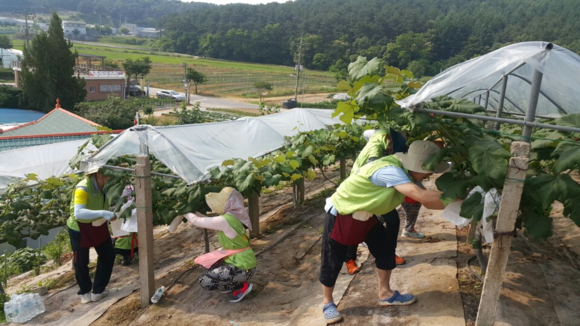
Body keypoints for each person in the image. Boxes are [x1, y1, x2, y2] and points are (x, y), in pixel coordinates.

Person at [320, 141, 451, 324]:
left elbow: (427, 199)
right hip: (343, 212)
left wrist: (460, 199)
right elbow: (423, 197)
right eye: (430, 170)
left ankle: (385, 294)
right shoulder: (390, 171)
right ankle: (328, 302)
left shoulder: (405, 170)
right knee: (333, 258)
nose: (431, 174)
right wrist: (465, 198)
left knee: (385, 248)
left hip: (366, 212)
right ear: (418, 165)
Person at [169, 187, 257, 303]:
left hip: (242, 267)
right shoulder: (233, 217)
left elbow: (197, 221)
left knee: (205, 281)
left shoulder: (224, 220)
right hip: (244, 263)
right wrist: (194, 211)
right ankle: (231, 283)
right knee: (209, 265)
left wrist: (185, 210)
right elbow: (207, 220)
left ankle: (240, 287)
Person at [344, 128, 410, 275]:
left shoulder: (385, 144)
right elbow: (373, 165)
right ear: (391, 142)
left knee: (393, 221)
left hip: (374, 190)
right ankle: (349, 260)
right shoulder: (377, 144)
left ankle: (389, 253)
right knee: (357, 224)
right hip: (360, 191)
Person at [67, 167, 116, 304]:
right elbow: (79, 213)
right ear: (99, 173)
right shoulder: (82, 188)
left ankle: (98, 291)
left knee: (108, 255)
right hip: (79, 227)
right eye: (110, 172)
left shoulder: (106, 186)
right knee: (81, 262)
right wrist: (102, 212)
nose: (113, 176)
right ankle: (85, 291)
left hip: (98, 225)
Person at [111, 185, 138, 266]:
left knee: (112, 244)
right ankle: (128, 256)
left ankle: (126, 256)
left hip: (121, 245)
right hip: (136, 244)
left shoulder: (117, 209)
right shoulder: (136, 207)